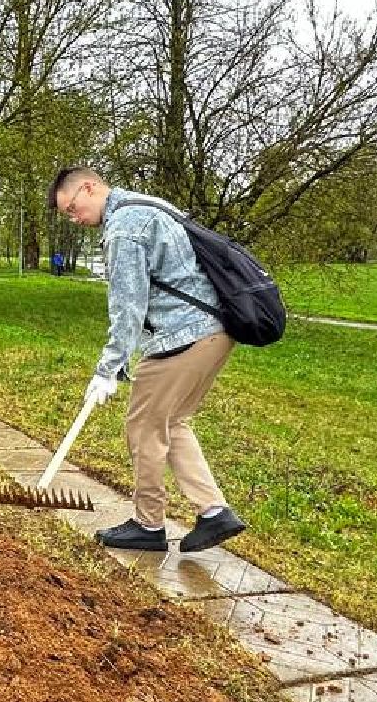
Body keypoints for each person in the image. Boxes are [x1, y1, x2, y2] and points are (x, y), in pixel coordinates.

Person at [52, 166, 247, 556]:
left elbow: (128, 307)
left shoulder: (124, 228)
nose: (74, 219)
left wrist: (108, 369)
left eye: (72, 209)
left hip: (181, 337)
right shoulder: (147, 205)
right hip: (215, 331)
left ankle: (148, 525)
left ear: (89, 188)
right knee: (171, 422)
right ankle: (214, 512)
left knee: (143, 428)